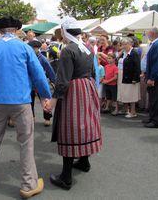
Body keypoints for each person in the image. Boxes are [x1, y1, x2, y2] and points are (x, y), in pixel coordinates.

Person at [0, 17, 51, 199]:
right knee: (26, 142)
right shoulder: (25, 48)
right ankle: (28, 184)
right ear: (16, 29)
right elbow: (38, 74)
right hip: (21, 101)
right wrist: (46, 96)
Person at [47, 17, 102, 190]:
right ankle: (84, 161)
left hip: (74, 91)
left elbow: (62, 81)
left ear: (65, 32)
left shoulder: (68, 50)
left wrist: (53, 102)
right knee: (84, 125)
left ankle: (66, 177)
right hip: (87, 88)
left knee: (70, 128)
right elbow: (92, 72)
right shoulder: (87, 48)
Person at [28, 40, 56, 126]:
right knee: (30, 101)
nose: (33, 50)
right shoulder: (27, 57)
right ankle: (31, 117)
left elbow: (49, 70)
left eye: (35, 48)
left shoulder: (43, 58)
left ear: (38, 49)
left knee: (45, 99)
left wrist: (53, 80)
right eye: (32, 48)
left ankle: (47, 118)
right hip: (29, 83)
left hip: (41, 82)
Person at [120, 37, 141, 118]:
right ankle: (129, 111)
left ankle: (133, 112)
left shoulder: (134, 53)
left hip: (132, 79)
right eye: (123, 44)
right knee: (129, 95)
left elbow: (137, 67)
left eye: (125, 44)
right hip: (127, 78)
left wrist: (135, 79)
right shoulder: (126, 53)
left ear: (130, 44)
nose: (124, 46)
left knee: (132, 96)